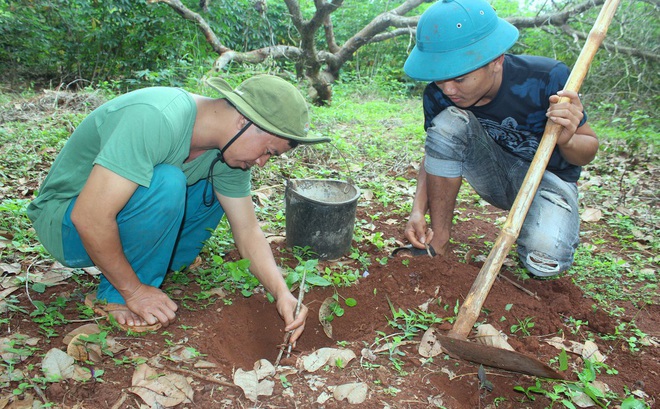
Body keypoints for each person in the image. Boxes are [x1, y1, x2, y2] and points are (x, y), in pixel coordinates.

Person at [28, 74, 329, 341]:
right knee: (167, 181)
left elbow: (247, 229)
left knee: (219, 184)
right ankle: (119, 291)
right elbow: (90, 217)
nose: (262, 162)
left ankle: (161, 260)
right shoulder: (157, 117)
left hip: (114, 219)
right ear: (245, 120)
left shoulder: (228, 151)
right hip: (66, 223)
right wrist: (135, 291)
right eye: (267, 151)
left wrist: (281, 293)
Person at [400, 0, 598, 277]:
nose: (447, 89)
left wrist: (567, 140)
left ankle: (538, 232)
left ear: (496, 61)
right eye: (439, 79)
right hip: (491, 173)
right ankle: (440, 240)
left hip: (548, 180)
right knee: (447, 122)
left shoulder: (547, 79)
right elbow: (437, 150)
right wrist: (417, 210)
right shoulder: (438, 94)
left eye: (459, 78)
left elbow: (588, 151)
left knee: (544, 262)